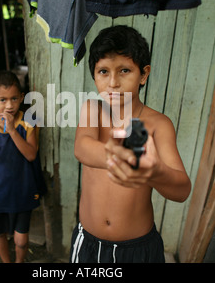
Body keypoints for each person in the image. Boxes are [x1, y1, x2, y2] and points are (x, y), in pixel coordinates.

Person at [71, 25, 191, 263]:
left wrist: (156, 172)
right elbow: (82, 148)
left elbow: (181, 191)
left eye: (124, 70)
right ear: (94, 75)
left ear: (143, 74)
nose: (113, 82)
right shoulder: (92, 110)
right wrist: (115, 153)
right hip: (88, 243)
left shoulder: (158, 124)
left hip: (136, 250)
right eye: (103, 71)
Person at [0, 70, 46, 263]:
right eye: (2, 100)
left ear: (22, 97)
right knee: (0, 233)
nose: (10, 105)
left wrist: (12, 130)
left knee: (21, 240)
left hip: (23, 188)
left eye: (14, 98)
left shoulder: (29, 122)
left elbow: (31, 155)